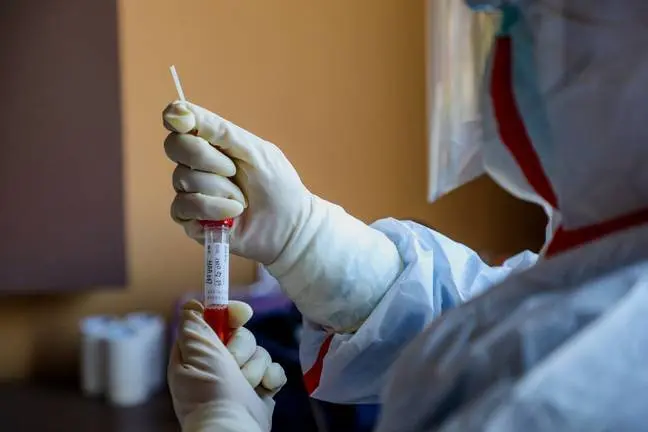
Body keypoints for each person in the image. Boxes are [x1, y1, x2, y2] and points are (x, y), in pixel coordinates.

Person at [164, 0, 648, 430]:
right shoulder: (606, 266)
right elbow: (483, 330)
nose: (503, 50)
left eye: (539, 17)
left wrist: (222, 424)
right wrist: (308, 242)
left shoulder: (576, 390)